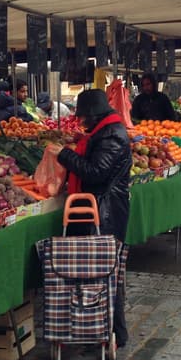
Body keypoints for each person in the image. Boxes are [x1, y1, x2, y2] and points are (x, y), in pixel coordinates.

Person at [47, 88, 132, 345]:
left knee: (105, 272)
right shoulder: (105, 131)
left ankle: (114, 332)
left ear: (95, 115)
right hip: (100, 209)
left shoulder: (113, 135)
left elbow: (95, 172)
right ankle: (97, 327)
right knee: (98, 272)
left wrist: (63, 154)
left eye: (84, 117)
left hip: (105, 214)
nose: (82, 121)